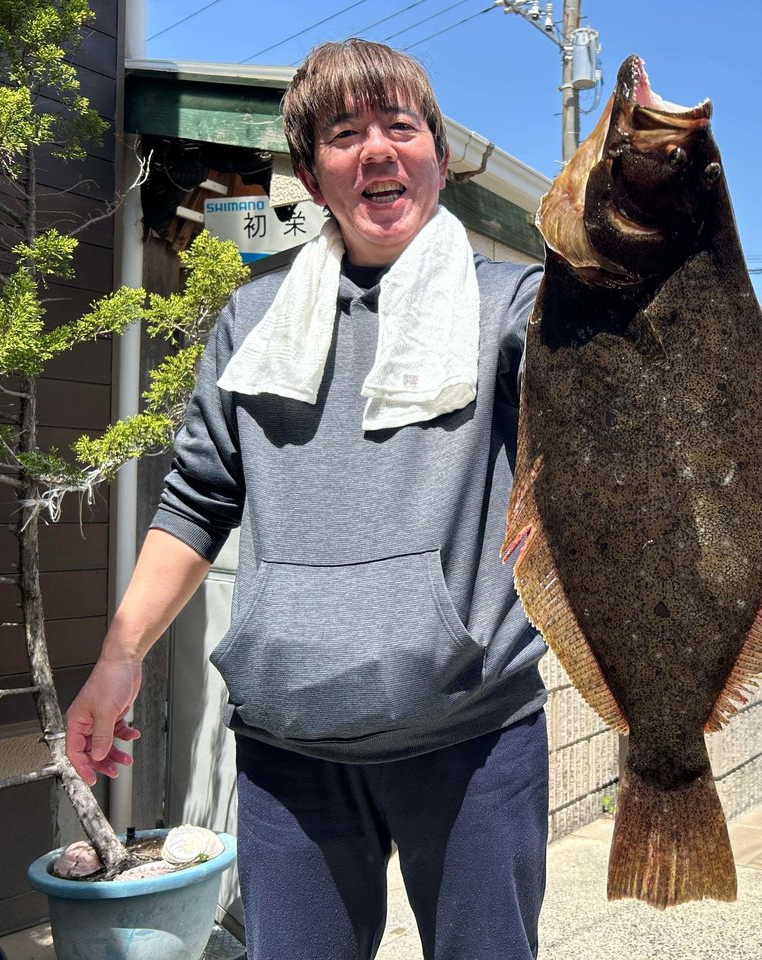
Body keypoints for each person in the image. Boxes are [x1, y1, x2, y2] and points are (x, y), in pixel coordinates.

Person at [66, 38, 549, 960]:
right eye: (344, 134)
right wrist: (118, 658)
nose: (377, 150)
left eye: (400, 126)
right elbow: (198, 499)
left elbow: (614, 418)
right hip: (290, 745)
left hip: (474, 736)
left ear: (440, 156)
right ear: (312, 174)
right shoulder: (254, 321)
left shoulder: (517, 309)